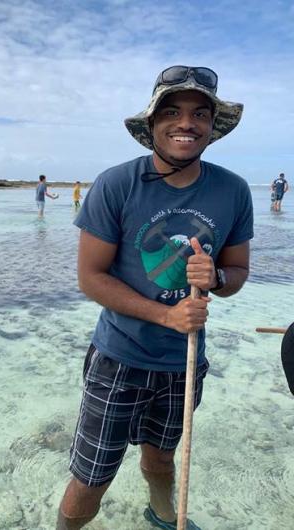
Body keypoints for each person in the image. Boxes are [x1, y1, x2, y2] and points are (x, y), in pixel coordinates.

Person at [56, 65, 254, 530]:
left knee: (163, 461)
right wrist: (166, 317)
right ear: (152, 123)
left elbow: (239, 273)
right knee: (92, 477)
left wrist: (217, 275)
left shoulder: (232, 191)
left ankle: (162, 514)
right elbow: (91, 277)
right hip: (118, 358)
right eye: (172, 111)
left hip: (182, 365)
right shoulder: (116, 184)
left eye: (199, 113)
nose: (186, 122)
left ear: (211, 127)